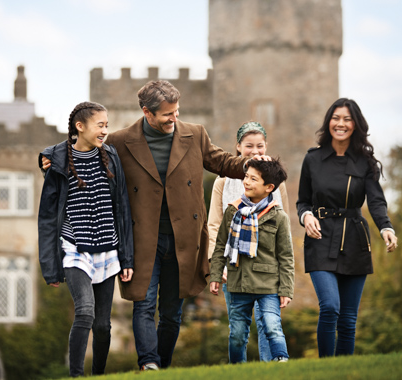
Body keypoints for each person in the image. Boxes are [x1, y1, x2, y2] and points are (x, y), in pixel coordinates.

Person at [41, 80, 270, 370]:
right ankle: (148, 363)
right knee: (144, 305)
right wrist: (49, 155)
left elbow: (221, 162)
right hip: (143, 237)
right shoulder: (121, 141)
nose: (174, 118)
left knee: (173, 314)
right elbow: (83, 146)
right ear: (147, 113)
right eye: (167, 114)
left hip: (182, 238)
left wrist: (251, 163)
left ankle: (161, 364)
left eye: (177, 111)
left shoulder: (195, 134)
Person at [38, 101, 134, 377]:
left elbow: (123, 208)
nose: (105, 130)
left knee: (103, 325)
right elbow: (47, 219)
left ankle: (98, 375)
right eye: (100, 125)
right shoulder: (57, 161)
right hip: (75, 249)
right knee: (85, 312)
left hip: (107, 249)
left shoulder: (111, 157)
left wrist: (126, 257)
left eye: (107, 125)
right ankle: (77, 375)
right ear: (80, 127)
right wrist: (51, 266)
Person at [296, 98, 398, 357]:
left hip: (354, 239)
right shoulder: (313, 159)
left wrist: (386, 227)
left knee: (348, 319)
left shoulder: (366, 163)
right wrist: (306, 216)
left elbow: (376, 201)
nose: (340, 124)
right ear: (328, 121)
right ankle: (325, 369)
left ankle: (344, 370)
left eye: (347, 119)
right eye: (336, 118)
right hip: (319, 238)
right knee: (330, 307)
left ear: (356, 125)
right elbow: (303, 201)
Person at [207, 121, 290, 362]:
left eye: (260, 146)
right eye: (249, 146)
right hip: (234, 267)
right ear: (238, 148)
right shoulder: (223, 182)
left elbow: (281, 226)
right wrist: (216, 264)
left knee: (268, 323)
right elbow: (214, 226)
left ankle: (270, 367)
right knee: (238, 329)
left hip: (266, 268)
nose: (255, 152)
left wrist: (283, 277)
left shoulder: (276, 184)